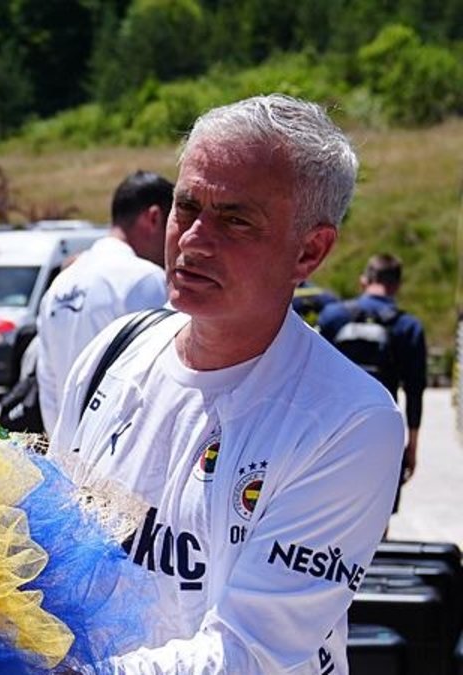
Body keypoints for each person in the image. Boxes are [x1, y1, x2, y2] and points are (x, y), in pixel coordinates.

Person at [48, 94, 404, 673]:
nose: (192, 240)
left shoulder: (351, 422)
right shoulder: (112, 355)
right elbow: (54, 558)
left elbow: (252, 653)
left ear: (309, 251)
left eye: (235, 220)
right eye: (185, 207)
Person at [36, 170, 173, 435]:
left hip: (67, 453)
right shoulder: (144, 278)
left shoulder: (60, 284)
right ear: (154, 217)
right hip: (120, 455)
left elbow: (48, 383)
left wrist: (62, 449)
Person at [318, 253, 426, 513]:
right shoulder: (408, 327)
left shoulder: (332, 317)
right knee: (376, 517)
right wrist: (411, 446)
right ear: (397, 286)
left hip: (330, 435)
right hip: (382, 436)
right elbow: (414, 391)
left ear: (364, 281)